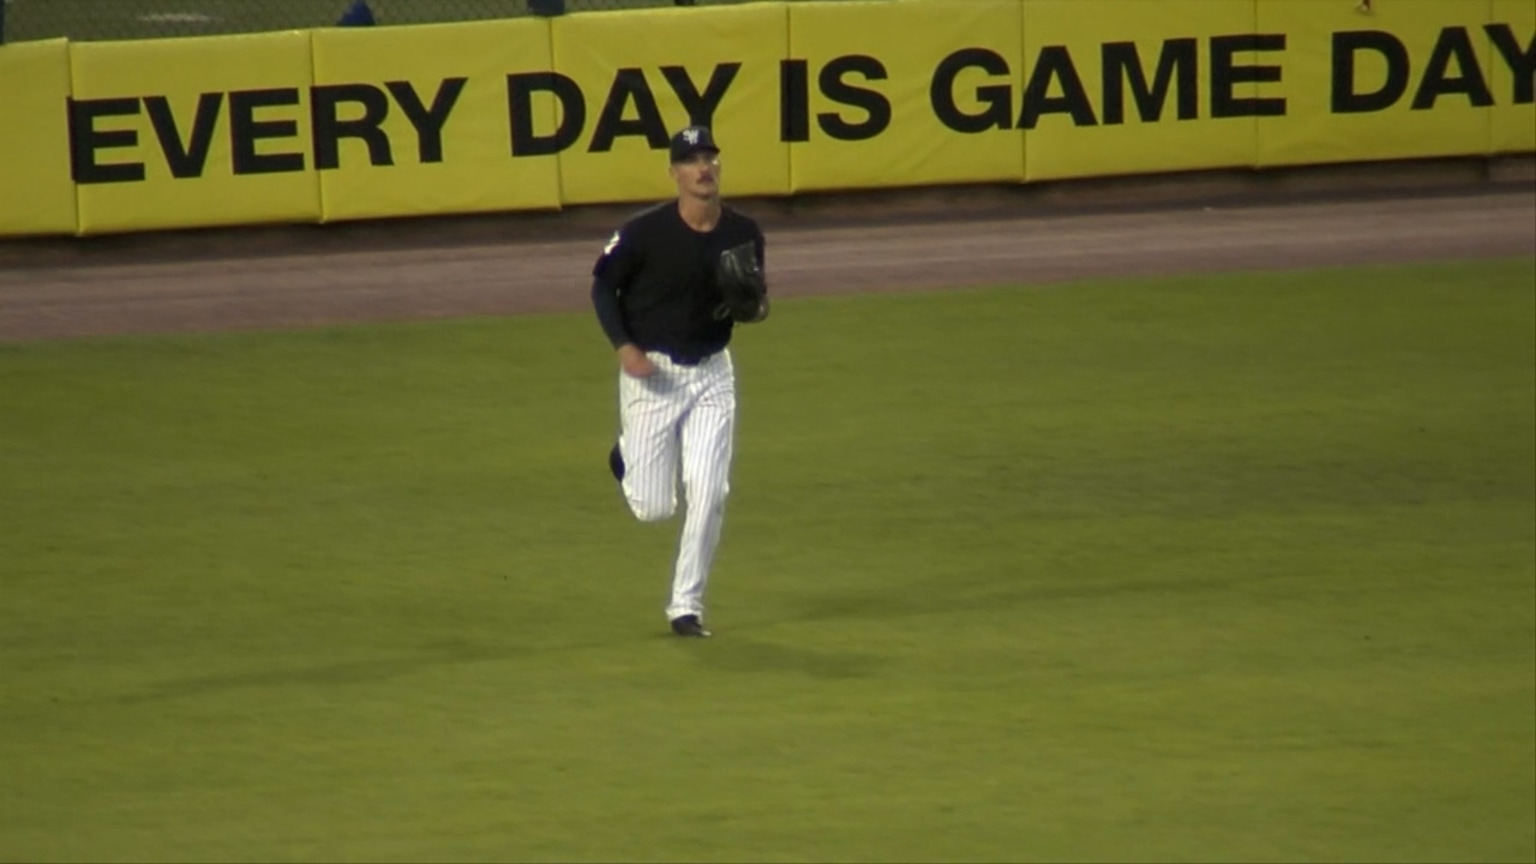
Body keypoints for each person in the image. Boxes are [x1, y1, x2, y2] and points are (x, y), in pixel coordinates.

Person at [590, 125, 770, 639]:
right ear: (674, 173)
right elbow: (603, 286)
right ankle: (626, 451)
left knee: (710, 491)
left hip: (713, 372)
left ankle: (685, 606)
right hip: (653, 375)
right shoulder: (644, 233)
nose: (703, 167)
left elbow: (754, 300)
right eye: (691, 160)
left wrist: (751, 302)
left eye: (709, 156)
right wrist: (625, 347)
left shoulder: (744, 232)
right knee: (654, 508)